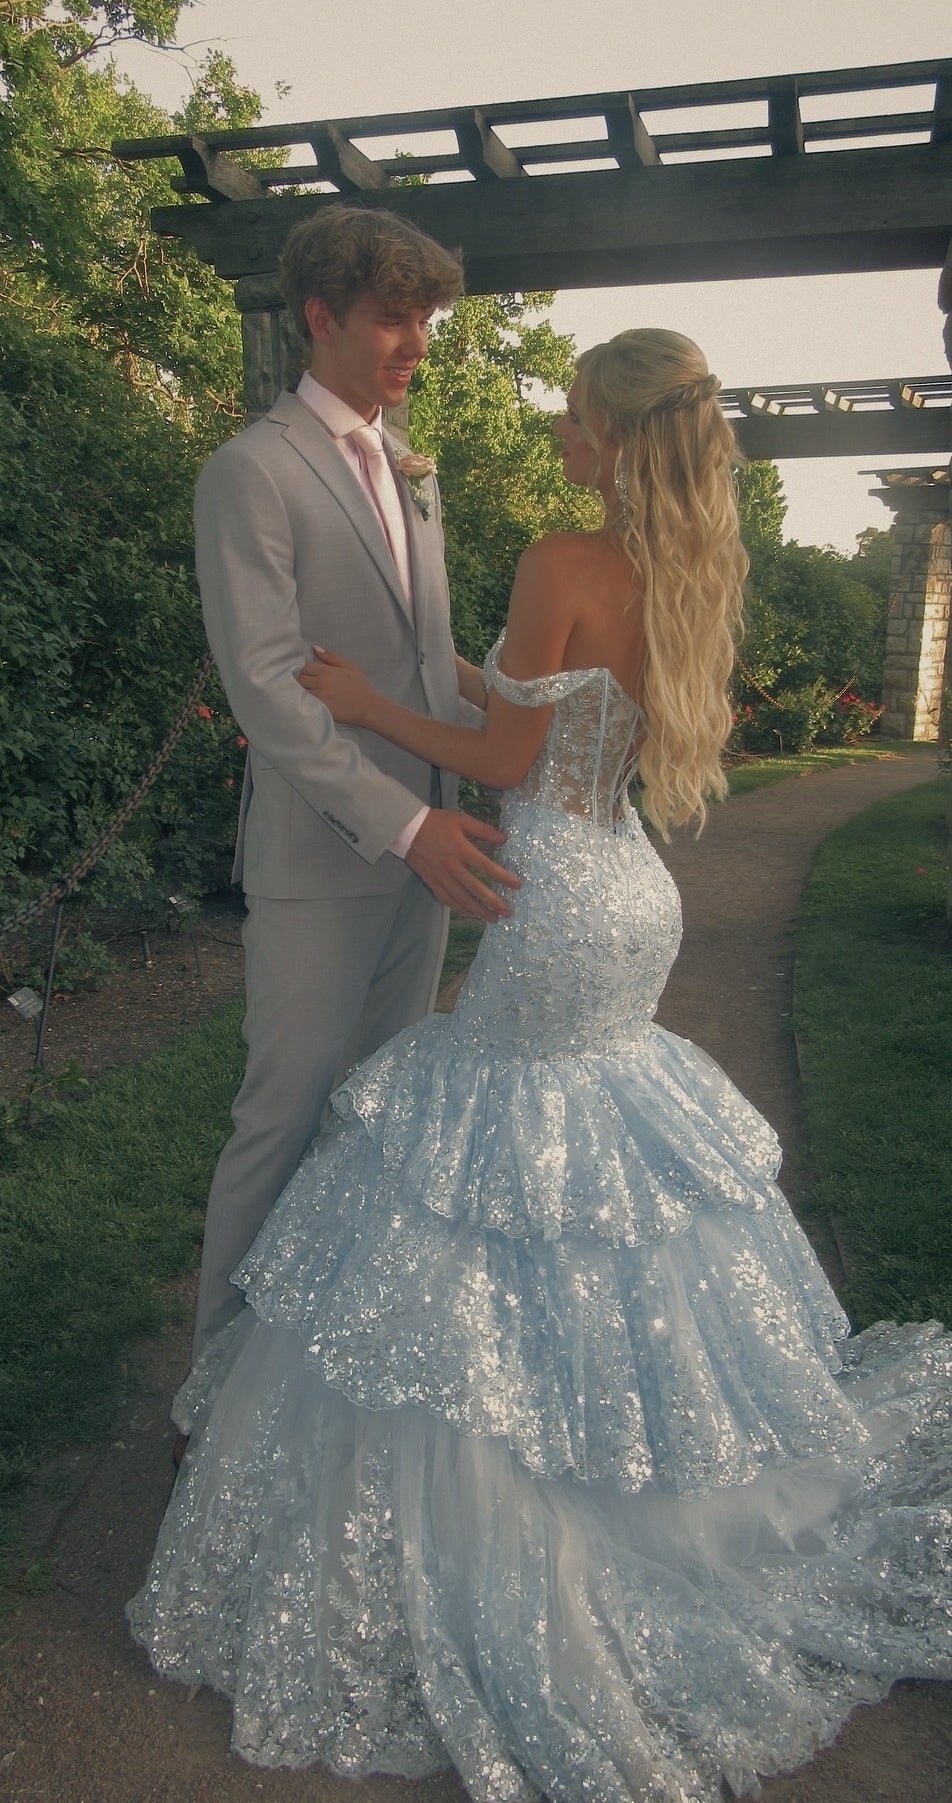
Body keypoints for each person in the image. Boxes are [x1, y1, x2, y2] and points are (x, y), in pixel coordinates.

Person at [130, 329, 952, 1799]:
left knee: (498, 1169)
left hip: (551, 890)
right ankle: (611, 1441)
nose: (557, 425)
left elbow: (495, 760)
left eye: (573, 409)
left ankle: (520, 1476)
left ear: (612, 429)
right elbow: (576, 762)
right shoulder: (693, 568)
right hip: (630, 886)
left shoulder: (562, 558)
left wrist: (353, 703)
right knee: (584, 1161)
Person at [184, 206, 518, 1413]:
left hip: (423, 854)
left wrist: (532, 705)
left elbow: (422, 660)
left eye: (424, 318)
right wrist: (409, 824)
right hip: (329, 860)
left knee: (378, 1123)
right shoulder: (251, 472)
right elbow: (271, 696)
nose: (414, 341)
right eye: (392, 316)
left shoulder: (408, 460)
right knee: (282, 1121)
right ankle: (213, 1397)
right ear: (319, 316)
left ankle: (326, 1386)